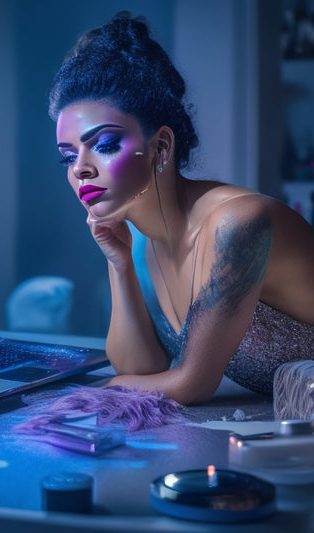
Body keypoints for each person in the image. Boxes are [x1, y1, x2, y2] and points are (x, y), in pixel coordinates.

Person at [49, 12, 314, 405]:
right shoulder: (136, 237)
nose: (80, 169)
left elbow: (190, 383)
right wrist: (118, 263)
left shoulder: (238, 224)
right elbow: (140, 370)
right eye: (67, 157)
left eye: (104, 144)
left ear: (161, 147)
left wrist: (73, 394)